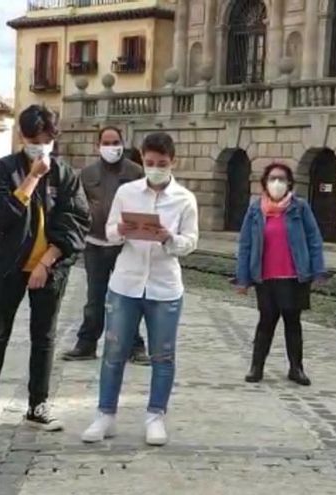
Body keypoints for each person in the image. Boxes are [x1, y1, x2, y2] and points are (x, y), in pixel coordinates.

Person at [0, 105, 90, 433]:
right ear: (21, 136)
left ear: (54, 138)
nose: (40, 145)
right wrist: (32, 177)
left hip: (50, 267)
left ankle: (38, 404)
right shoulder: (2, 170)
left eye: (46, 139)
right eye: (33, 139)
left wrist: (48, 261)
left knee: (43, 337)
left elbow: (76, 222)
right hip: (7, 267)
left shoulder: (66, 174)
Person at [81, 132, 198, 446]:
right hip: (126, 283)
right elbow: (109, 231)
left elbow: (190, 242)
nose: (155, 168)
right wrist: (119, 230)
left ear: (173, 162)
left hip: (164, 287)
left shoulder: (185, 199)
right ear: (142, 160)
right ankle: (105, 414)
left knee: (163, 355)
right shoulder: (127, 193)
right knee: (114, 351)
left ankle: (155, 415)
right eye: (149, 163)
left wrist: (169, 238)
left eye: (162, 163)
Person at [234, 163, 326, 386]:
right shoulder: (255, 210)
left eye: (282, 179)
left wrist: (318, 270)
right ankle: (257, 367)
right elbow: (245, 244)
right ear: (265, 182)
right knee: (266, 322)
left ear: (290, 183)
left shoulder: (300, 207)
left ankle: (296, 368)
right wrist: (242, 278)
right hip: (266, 278)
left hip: (294, 277)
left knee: (293, 322)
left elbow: (314, 239)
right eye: (272, 178)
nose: (277, 183)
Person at [62, 127, 149, 365]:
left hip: (126, 245)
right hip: (95, 244)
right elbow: (77, 204)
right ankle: (87, 343)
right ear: (97, 146)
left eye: (116, 142)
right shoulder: (87, 173)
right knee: (94, 297)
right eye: (107, 143)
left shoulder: (136, 172)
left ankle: (134, 345)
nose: (112, 147)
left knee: (128, 297)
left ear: (123, 143)